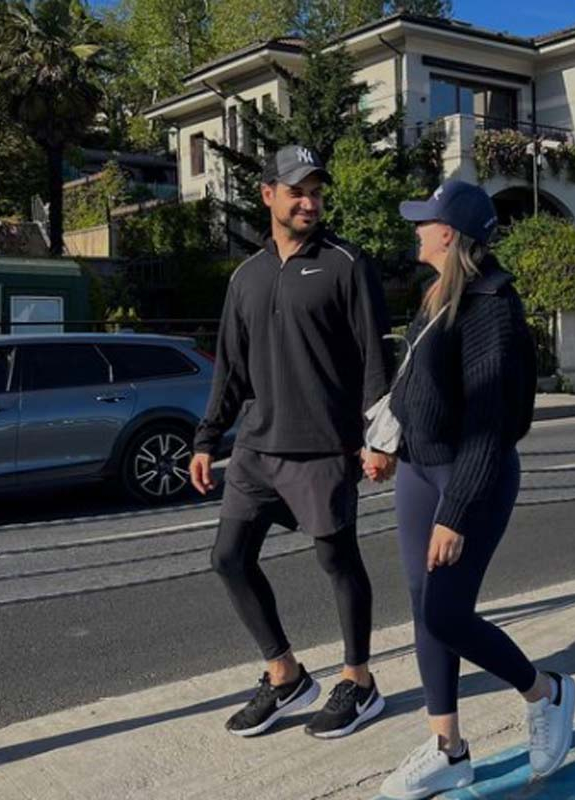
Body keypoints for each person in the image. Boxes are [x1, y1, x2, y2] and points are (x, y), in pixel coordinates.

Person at [365, 180, 575, 798]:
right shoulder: (436, 297)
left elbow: (491, 424)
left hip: (469, 479)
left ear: (449, 233)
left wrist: (455, 513)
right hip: (417, 469)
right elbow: (415, 387)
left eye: (423, 221)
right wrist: (387, 443)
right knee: (421, 608)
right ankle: (448, 749)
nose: (416, 229)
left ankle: (546, 691)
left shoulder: (492, 308)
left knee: (446, 612)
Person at [190, 145, 395, 739]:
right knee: (228, 559)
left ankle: (358, 681)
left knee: (337, 560)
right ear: (269, 195)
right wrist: (207, 439)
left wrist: (379, 438)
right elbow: (230, 368)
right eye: (297, 191)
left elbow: (374, 359)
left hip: (323, 448)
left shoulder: (344, 263)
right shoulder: (246, 277)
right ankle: (284, 675)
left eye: (316, 192)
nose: (309, 201)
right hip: (256, 448)